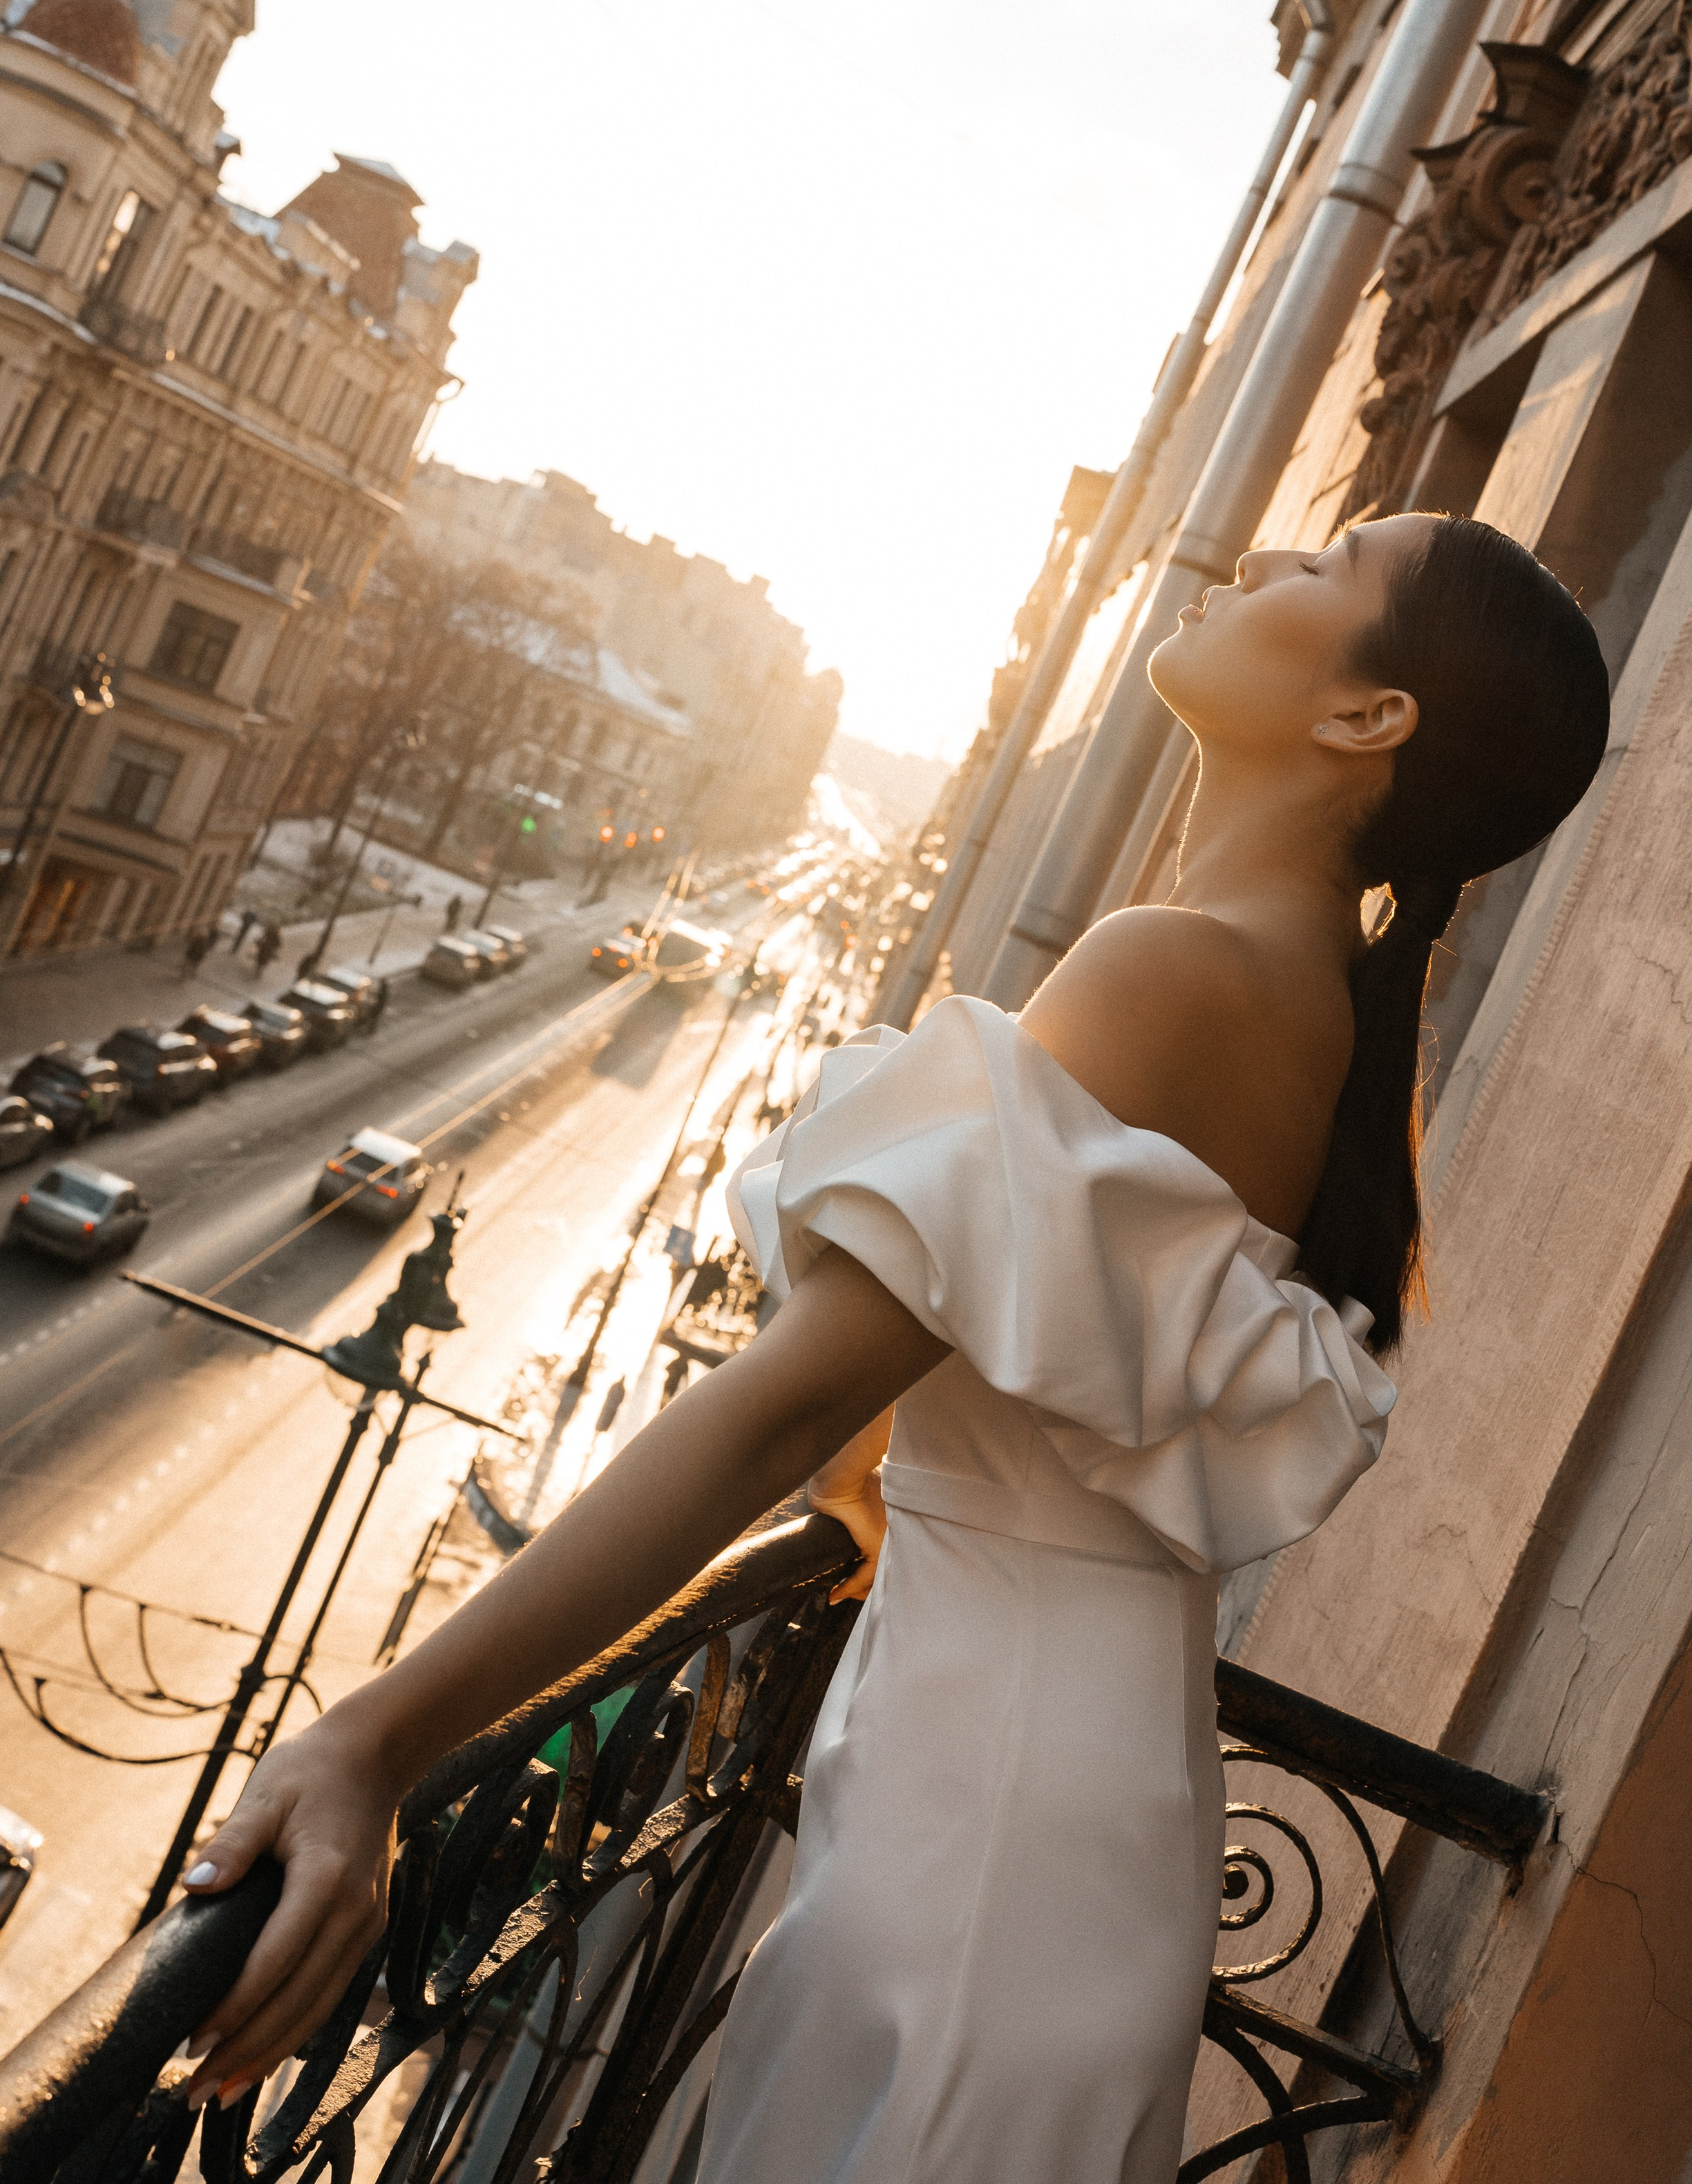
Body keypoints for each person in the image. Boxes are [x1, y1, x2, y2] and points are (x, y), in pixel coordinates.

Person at [178, 515, 1608, 2177]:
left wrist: (374, 1738)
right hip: (1041, 1781)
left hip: (990, 1815)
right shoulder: (1286, 989)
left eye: (1328, 567)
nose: (1267, 549)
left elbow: (771, 1416)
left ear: (1368, 718)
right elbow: (1034, 1359)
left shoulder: (1179, 969)